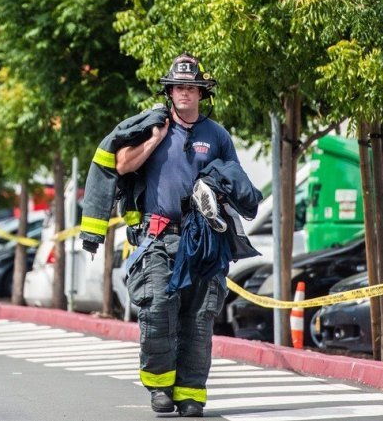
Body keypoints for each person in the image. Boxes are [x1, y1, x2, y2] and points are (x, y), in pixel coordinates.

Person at [80, 53, 259, 418]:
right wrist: (153, 140)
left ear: (200, 93)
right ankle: (160, 387)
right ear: (170, 91)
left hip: (204, 240)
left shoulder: (217, 135)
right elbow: (120, 164)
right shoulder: (152, 127)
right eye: (178, 87)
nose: (184, 93)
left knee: (199, 318)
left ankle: (191, 393)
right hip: (159, 238)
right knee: (158, 310)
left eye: (191, 88)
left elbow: (235, 178)